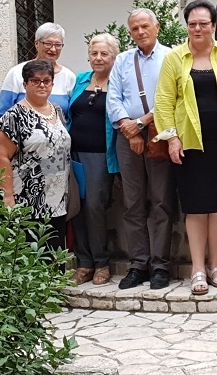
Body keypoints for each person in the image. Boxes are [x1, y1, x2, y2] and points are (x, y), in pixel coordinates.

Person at [154, 0, 217, 296]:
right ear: (187, 26)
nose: (198, 29)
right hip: (189, 143)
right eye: (192, 24)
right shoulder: (174, 58)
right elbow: (164, 100)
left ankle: (215, 265)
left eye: (204, 23)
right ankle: (198, 268)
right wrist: (172, 138)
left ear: (214, 25)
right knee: (195, 206)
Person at [107, 9, 174, 290]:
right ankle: (138, 264)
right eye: (134, 28)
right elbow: (113, 97)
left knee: (161, 201)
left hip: (160, 133)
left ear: (157, 27)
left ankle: (160, 266)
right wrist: (129, 127)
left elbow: (173, 96)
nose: (140, 32)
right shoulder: (123, 60)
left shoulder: (171, 56)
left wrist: (141, 123)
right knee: (132, 202)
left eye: (145, 26)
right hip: (127, 136)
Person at [0, 59, 71, 253]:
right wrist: (7, 196)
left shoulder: (57, 110)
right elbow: (1, 157)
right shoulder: (14, 116)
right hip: (27, 200)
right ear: (25, 84)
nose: (42, 85)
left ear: (52, 83)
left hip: (57, 199)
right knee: (30, 255)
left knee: (54, 255)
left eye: (46, 81)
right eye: (35, 81)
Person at [67, 33, 120, 286]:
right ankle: (84, 263)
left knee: (95, 207)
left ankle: (101, 262)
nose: (98, 58)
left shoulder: (118, 83)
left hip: (100, 156)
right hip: (73, 154)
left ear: (114, 57)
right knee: (76, 206)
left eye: (104, 54)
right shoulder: (80, 79)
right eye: (94, 53)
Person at [0, 22, 76, 121]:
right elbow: (2, 114)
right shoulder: (17, 73)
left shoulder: (69, 77)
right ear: (36, 43)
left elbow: (72, 116)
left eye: (58, 45)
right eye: (48, 44)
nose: (53, 49)